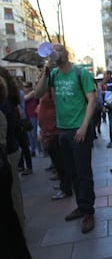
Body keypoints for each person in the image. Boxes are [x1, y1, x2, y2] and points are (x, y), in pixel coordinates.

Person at [35, 43, 97, 234]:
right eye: (53, 51)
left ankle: (88, 212)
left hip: (79, 130)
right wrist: (46, 70)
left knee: (83, 171)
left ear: (67, 53)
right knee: (72, 172)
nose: (55, 53)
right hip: (62, 130)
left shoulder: (80, 73)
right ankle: (81, 205)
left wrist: (84, 126)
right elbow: (38, 94)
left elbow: (92, 99)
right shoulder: (53, 74)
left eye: (59, 50)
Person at [0, 73, 32, 259]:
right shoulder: (9, 103)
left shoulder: (6, 107)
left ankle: (20, 233)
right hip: (11, 152)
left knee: (12, 200)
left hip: (8, 156)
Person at [36, 64, 71, 200]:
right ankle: (64, 184)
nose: (39, 75)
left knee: (60, 160)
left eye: (42, 72)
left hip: (54, 129)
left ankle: (66, 187)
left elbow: (59, 106)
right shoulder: (43, 90)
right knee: (57, 160)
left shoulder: (52, 89)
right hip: (47, 128)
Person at [102, 70, 112, 148]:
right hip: (111, 106)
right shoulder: (110, 83)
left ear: (109, 75)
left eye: (105, 75)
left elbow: (108, 95)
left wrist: (105, 105)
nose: (104, 76)